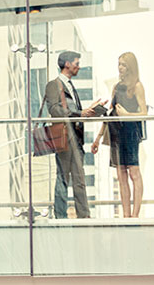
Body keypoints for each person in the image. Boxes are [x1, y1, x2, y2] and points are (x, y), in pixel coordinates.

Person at [45, 51, 106, 219]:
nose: (79, 66)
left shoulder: (71, 86)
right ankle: (60, 216)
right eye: (76, 63)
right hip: (64, 137)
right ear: (67, 64)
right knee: (63, 177)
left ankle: (84, 216)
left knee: (79, 179)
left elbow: (74, 112)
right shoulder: (54, 85)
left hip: (76, 138)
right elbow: (55, 110)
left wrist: (90, 111)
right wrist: (79, 113)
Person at [91, 52, 147, 218]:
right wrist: (98, 137)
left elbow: (144, 113)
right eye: (119, 64)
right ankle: (126, 214)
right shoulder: (116, 87)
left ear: (130, 67)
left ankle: (136, 215)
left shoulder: (137, 86)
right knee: (121, 173)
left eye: (123, 64)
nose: (120, 67)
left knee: (134, 172)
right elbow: (110, 114)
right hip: (116, 132)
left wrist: (127, 115)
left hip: (131, 132)